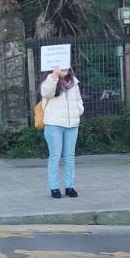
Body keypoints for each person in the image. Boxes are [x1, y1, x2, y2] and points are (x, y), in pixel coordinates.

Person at [41, 67, 84, 198]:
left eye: (66, 65)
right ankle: (54, 187)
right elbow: (47, 93)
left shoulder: (74, 83)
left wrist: (79, 110)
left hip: (72, 124)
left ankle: (70, 186)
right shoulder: (49, 80)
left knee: (70, 157)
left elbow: (78, 99)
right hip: (54, 124)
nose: (64, 68)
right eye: (61, 66)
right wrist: (54, 76)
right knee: (55, 156)